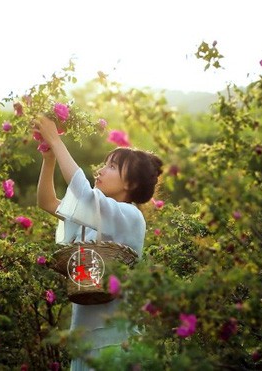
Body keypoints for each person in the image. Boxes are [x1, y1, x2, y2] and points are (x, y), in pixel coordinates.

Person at [34, 114, 163, 370]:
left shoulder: (130, 216)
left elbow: (82, 192)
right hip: (85, 343)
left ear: (132, 183)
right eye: (105, 164)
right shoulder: (94, 221)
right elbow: (47, 202)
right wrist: (49, 159)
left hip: (115, 343)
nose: (101, 170)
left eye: (112, 166)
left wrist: (56, 141)